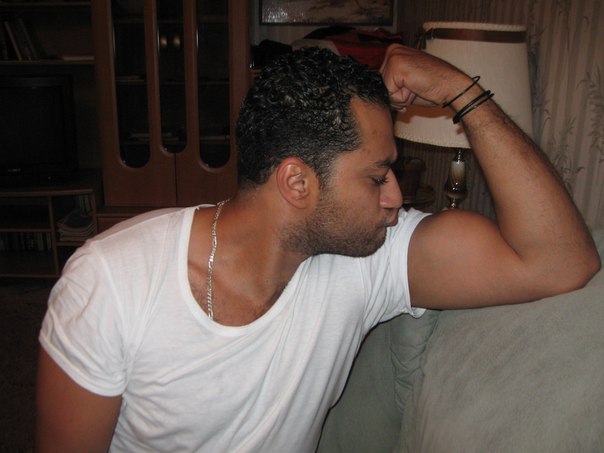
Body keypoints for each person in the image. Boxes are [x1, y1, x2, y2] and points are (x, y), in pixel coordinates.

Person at [36, 45, 599, 452]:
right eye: (377, 176)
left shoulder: (367, 260)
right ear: (297, 182)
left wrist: (462, 92)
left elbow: (559, 261)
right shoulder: (112, 282)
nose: (395, 198)